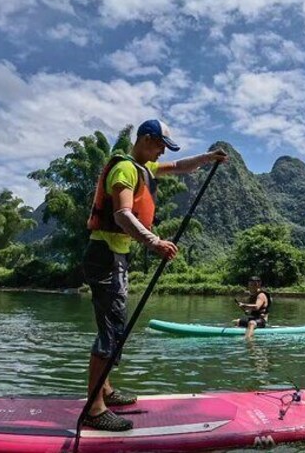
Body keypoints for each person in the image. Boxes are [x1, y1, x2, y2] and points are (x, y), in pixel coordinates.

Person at [81, 119, 227, 431]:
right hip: (104, 255)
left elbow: (179, 167)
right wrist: (154, 241)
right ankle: (94, 409)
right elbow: (122, 214)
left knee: (115, 325)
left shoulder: (143, 168)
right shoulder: (125, 169)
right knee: (111, 330)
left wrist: (207, 158)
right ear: (147, 139)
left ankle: (104, 389)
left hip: (114, 255)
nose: (163, 152)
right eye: (160, 145)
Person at [234, 276, 271, 340]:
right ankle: (237, 335)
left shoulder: (261, 295)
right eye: (250, 285)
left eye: (253, 285)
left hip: (261, 320)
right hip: (254, 318)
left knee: (251, 323)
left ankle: (248, 340)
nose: (251, 287)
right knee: (237, 321)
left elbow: (257, 307)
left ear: (258, 285)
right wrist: (244, 308)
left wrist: (244, 304)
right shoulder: (252, 296)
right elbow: (248, 312)